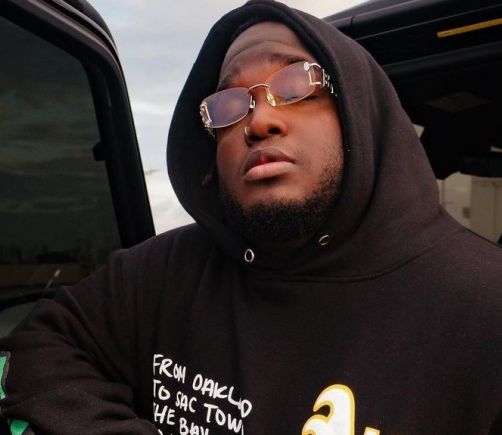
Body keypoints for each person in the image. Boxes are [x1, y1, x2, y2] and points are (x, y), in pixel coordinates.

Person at [1, 1, 502, 434]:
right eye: (228, 105)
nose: (259, 120)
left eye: (296, 84)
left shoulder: (481, 308)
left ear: (358, 108)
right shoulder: (167, 272)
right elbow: (37, 348)